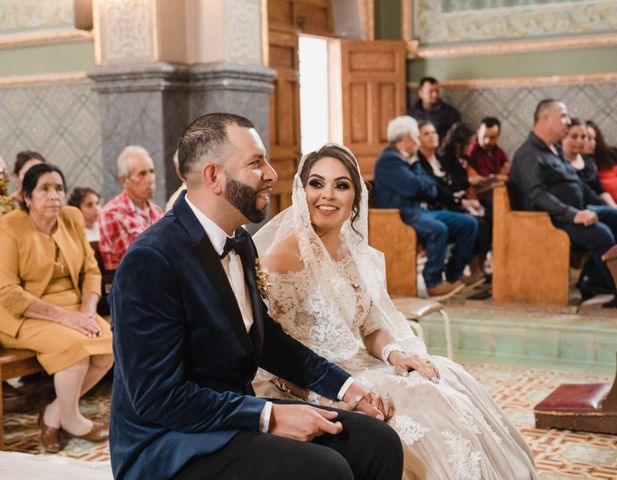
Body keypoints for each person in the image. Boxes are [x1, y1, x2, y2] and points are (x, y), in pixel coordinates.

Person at [108, 113, 403, 480]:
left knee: (379, 442)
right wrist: (269, 416)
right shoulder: (151, 261)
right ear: (214, 177)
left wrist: (346, 386)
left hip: (231, 414)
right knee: (325, 470)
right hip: (169, 442)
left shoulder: (241, 242)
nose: (272, 174)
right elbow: (157, 398)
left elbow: (268, 340)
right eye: (255, 162)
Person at [253, 143, 537, 480]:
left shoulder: (355, 252)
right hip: (316, 379)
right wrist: (329, 397)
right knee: (424, 403)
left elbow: (371, 325)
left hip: (360, 363)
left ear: (356, 197)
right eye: (316, 183)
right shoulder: (283, 254)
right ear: (302, 191)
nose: (326, 195)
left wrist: (395, 354)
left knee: (445, 380)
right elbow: (271, 355)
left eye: (340, 185)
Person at [0, 163, 113, 453]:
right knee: (74, 345)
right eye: (45, 189)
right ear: (26, 197)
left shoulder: (72, 218)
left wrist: (88, 311)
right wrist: (67, 319)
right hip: (23, 314)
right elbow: (8, 293)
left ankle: (53, 414)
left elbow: (91, 271)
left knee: (110, 346)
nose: (54, 196)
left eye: (59, 188)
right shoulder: (8, 226)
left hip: (76, 308)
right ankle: (74, 421)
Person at [511, 99, 617, 302]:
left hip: (578, 209)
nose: (567, 121)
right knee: (601, 234)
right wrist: (573, 215)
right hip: (551, 219)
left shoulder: (555, 148)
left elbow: (579, 184)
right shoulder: (529, 154)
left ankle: (595, 280)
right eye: (563, 116)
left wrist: (604, 207)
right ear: (545, 118)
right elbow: (537, 196)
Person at [374, 116, 477, 299]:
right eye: (416, 136)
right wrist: (422, 186)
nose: (418, 141)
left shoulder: (410, 158)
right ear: (406, 138)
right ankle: (433, 282)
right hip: (400, 215)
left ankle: (453, 274)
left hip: (420, 210)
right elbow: (413, 187)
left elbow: (432, 188)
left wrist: (422, 186)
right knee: (438, 229)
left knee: (468, 223)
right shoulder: (388, 160)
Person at [419, 121, 490, 284]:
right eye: (427, 134)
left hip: (451, 202)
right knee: (475, 223)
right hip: (438, 206)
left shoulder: (440, 159)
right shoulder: (419, 162)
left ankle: (468, 270)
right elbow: (437, 190)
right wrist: (461, 203)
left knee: (484, 220)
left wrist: (467, 200)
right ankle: (456, 272)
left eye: (434, 132)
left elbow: (453, 184)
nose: (432, 136)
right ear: (418, 139)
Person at [98, 145, 164, 270]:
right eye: (142, 174)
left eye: (152, 171)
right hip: (133, 283)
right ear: (124, 181)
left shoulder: (157, 211)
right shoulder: (111, 213)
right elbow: (137, 260)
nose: (150, 179)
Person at [562, 118, 617, 208]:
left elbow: (600, 189)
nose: (580, 141)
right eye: (574, 136)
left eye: (583, 137)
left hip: (601, 206)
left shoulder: (588, 160)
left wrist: (614, 207)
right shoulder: (560, 163)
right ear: (562, 138)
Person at [585, 120, 617, 209]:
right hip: (606, 207)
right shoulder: (583, 162)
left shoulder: (613, 152)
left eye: (594, 138)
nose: (592, 142)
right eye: (588, 139)